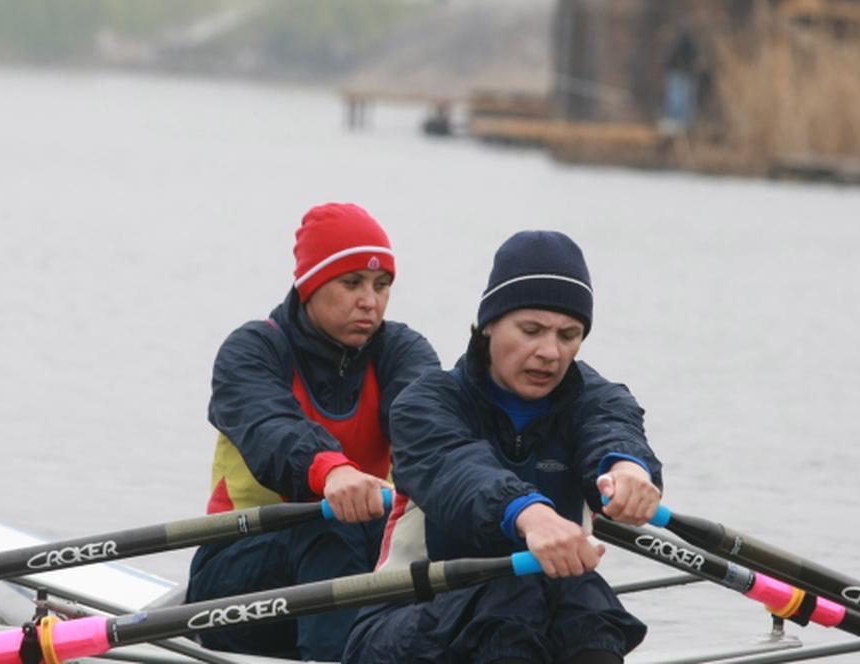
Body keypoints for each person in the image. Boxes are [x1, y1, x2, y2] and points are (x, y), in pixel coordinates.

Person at [345, 230, 663, 664]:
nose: (550, 352)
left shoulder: (596, 398)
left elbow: (612, 430)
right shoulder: (426, 404)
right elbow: (460, 471)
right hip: (400, 619)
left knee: (586, 600)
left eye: (568, 335)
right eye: (531, 330)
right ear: (488, 324)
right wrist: (530, 515)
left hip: (534, 615)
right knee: (511, 594)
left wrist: (629, 471)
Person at [187, 202, 440, 660]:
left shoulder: (403, 353)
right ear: (310, 286)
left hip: (358, 564)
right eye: (352, 283)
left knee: (429, 531)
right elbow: (272, 429)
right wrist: (332, 472)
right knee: (331, 524)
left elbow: (429, 431)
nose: (370, 300)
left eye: (382, 285)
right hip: (233, 580)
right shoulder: (252, 351)